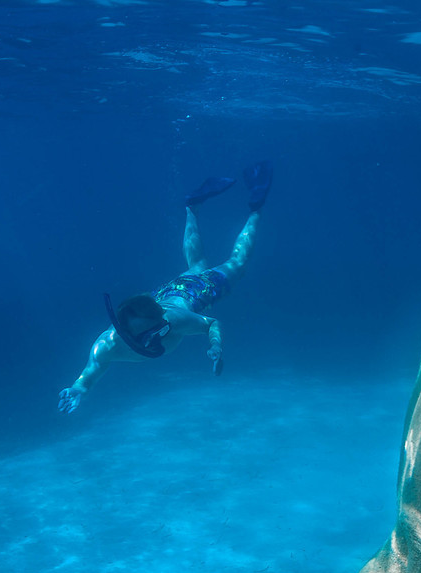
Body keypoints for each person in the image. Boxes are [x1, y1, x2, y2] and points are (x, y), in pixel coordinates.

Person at [58, 162, 272, 414]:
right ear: (124, 333)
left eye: (159, 329)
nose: (157, 338)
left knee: (237, 265)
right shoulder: (107, 346)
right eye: (148, 334)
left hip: (196, 292)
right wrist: (78, 389)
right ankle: (192, 205)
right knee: (198, 264)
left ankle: (255, 207)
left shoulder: (173, 321)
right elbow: (91, 371)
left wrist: (216, 345)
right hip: (171, 292)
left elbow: (210, 323)